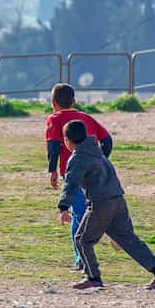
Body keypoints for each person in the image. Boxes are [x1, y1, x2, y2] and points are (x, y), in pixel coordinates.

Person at [57, 120, 155, 291]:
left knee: (82, 239)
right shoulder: (97, 151)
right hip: (118, 200)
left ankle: (93, 277)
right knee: (129, 240)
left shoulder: (78, 157)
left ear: (67, 141)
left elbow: (71, 184)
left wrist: (63, 207)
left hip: (100, 203)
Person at [45, 84, 113, 271]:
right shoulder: (86, 117)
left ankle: (81, 258)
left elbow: (53, 145)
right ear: (74, 101)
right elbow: (107, 140)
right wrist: (101, 160)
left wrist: (52, 171)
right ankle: (111, 233)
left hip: (73, 172)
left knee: (79, 214)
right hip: (94, 172)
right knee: (93, 208)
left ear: (53, 103)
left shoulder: (55, 118)